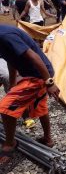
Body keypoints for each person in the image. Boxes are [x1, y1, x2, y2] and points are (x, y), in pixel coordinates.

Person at [0, 25, 60, 162]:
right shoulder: (3, 35)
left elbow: (34, 56)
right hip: (37, 72)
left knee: (5, 108)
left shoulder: (4, 36)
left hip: (37, 75)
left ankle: (10, 144)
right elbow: (12, 59)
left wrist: (49, 82)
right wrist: (12, 82)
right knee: (40, 105)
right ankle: (48, 139)